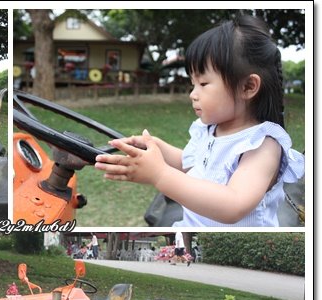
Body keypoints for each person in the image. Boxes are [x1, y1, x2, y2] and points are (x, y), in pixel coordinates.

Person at [95, 15, 304, 227]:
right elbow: (189, 163)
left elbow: (234, 204)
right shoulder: (209, 129)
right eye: (192, 83)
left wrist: (159, 175)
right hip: (194, 227)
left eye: (203, 83)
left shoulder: (262, 144)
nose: (193, 94)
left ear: (248, 87)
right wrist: (157, 147)